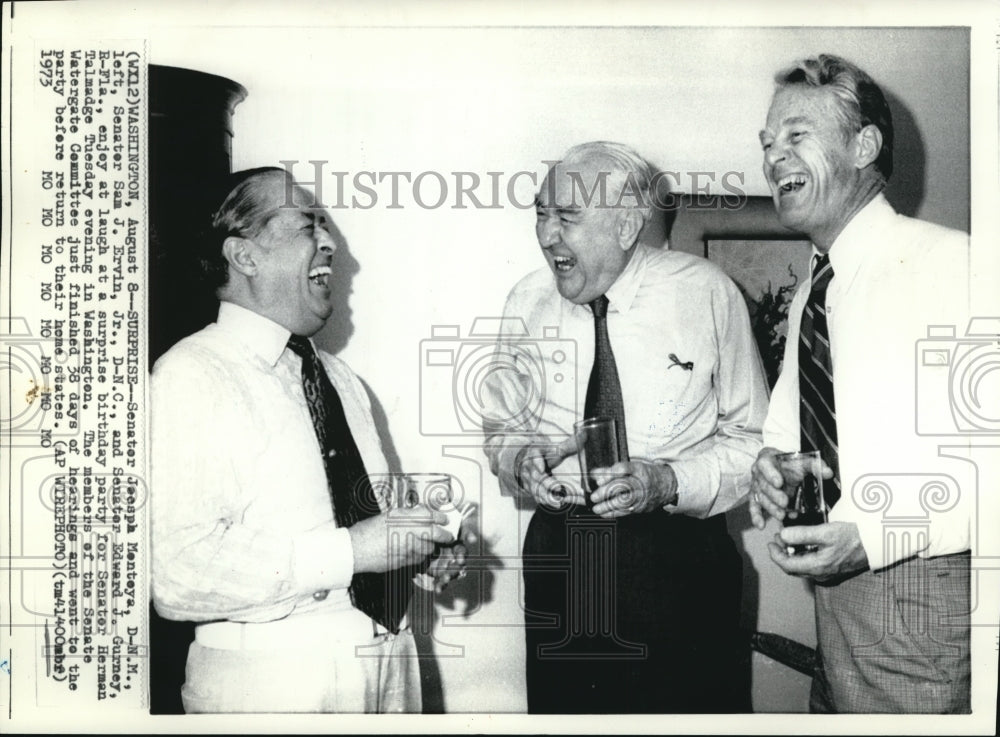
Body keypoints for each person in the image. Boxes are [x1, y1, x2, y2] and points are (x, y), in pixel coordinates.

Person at [151, 167, 462, 713]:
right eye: (307, 226)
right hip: (273, 686)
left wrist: (419, 553)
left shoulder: (341, 379)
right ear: (244, 256)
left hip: (392, 667)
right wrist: (356, 550)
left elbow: (365, 522)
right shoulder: (192, 373)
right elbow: (177, 572)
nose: (332, 244)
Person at [483, 141, 769, 713]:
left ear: (626, 225)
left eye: (566, 217)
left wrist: (666, 481)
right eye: (540, 214)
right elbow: (500, 426)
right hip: (561, 553)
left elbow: (755, 441)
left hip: (678, 558)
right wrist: (518, 459)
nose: (545, 235)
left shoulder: (706, 292)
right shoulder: (526, 301)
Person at [750, 54, 972, 713]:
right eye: (767, 143)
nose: (773, 158)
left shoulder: (953, 264)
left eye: (796, 135)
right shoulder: (812, 291)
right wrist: (772, 466)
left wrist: (874, 537)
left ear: (865, 144)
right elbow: (788, 430)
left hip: (920, 594)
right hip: (835, 611)